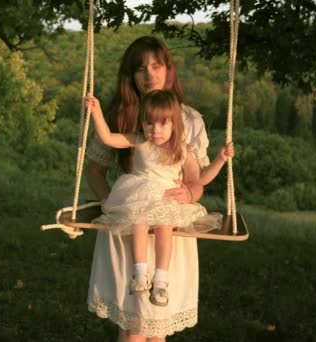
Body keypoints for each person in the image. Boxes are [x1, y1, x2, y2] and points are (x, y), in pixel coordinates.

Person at [86, 36, 227, 341]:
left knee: (157, 327)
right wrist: (116, 205)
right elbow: (95, 171)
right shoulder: (122, 115)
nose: (149, 74)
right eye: (140, 68)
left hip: (170, 228)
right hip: (129, 227)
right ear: (130, 76)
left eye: (156, 65)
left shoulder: (188, 119)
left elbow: (196, 180)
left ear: (168, 70)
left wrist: (190, 194)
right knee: (132, 326)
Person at [84, 90, 232, 309]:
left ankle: (161, 281)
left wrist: (221, 160)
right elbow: (108, 138)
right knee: (140, 221)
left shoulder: (182, 149)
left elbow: (201, 178)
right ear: (142, 123)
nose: (156, 130)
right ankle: (140, 274)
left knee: (165, 226)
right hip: (139, 194)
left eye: (163, 124)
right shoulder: (139, 141)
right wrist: (96, 112)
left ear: (175, 124)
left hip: (166, 198)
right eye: (149, 124)